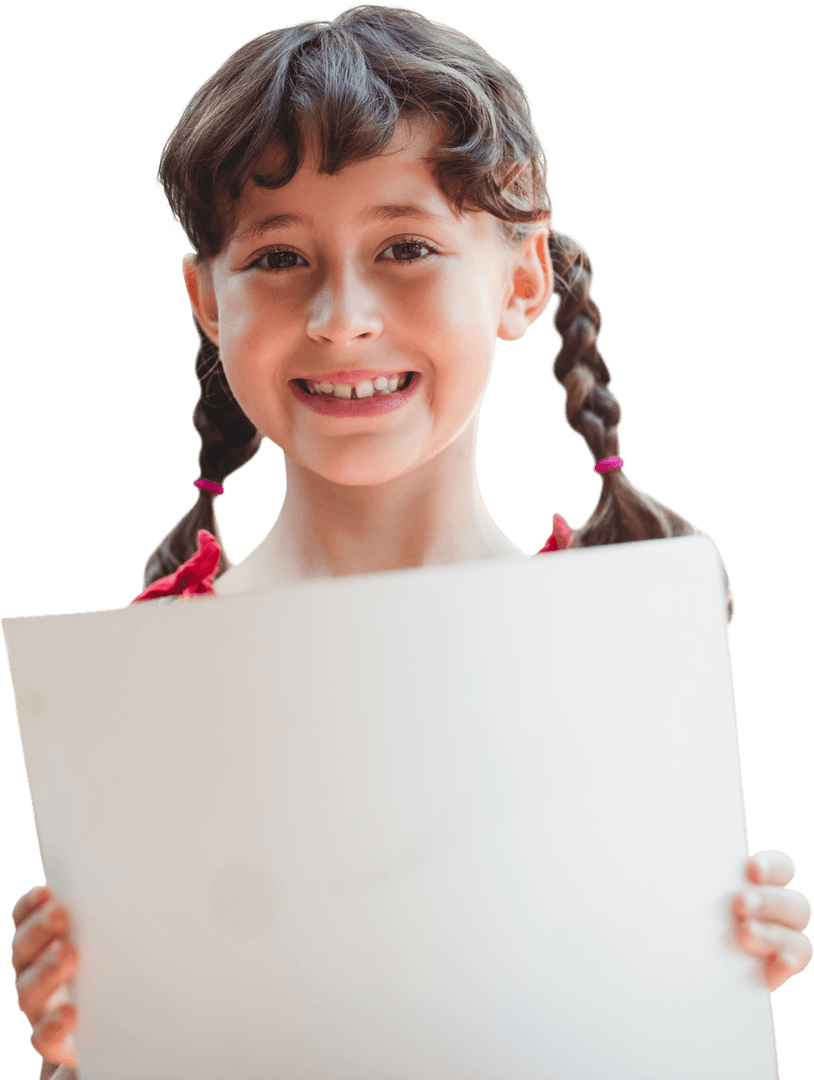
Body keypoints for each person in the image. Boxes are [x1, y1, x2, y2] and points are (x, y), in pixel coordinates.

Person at [9, 6, 812, 1077]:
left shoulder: (620, 651)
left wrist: (704, 983)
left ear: (520, 280)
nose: (342, 316)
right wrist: (77, 1046)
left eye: (406, 247)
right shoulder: (148, 688)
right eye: (281, 255)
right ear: (208, 301)